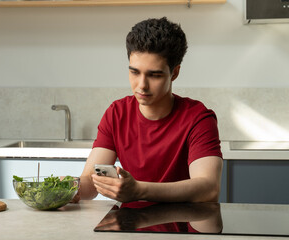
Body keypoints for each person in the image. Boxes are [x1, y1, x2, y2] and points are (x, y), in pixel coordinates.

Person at [77, 17, 223, 203]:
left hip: (184, 227)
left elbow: (209, 189)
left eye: (154, 75)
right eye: (134, 72)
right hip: (131, 227)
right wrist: (68, 187)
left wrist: (138, 191)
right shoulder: (116, 113)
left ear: (175, 73)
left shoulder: (198, 118)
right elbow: (90, 186)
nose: (142, 85)